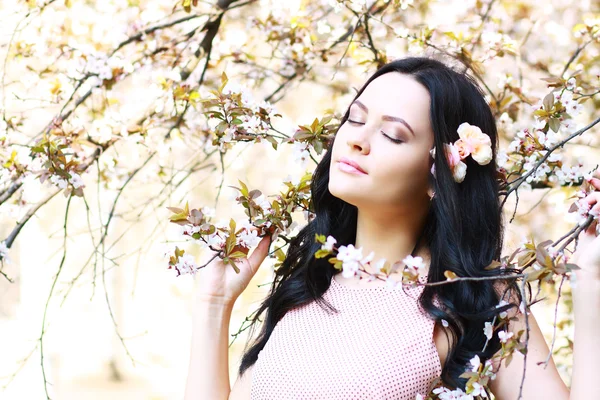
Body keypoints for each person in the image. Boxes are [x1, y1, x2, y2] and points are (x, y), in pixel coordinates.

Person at [184, 57, 600, 400]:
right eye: (354, 119)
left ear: (439, 175)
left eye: (392, 134)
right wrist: (214, 304)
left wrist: (592, 279)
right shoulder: (310, 284)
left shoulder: (474, 296)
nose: (357, 140)